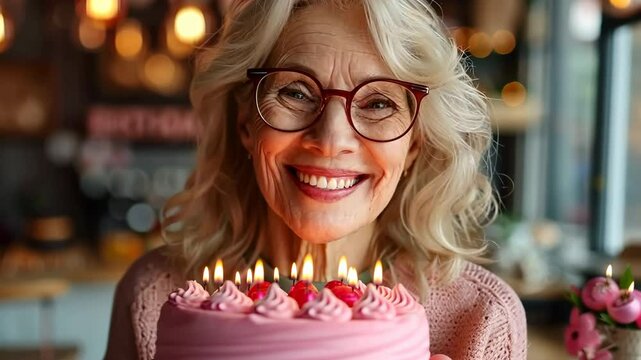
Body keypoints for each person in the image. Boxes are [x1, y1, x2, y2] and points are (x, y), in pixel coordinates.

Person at [105, 0, 527, 359]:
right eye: (295, 93)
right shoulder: (156, 294)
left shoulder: (479, 319)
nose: (330, 140)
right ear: (246, 122)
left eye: (378, 103)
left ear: (414, 142)